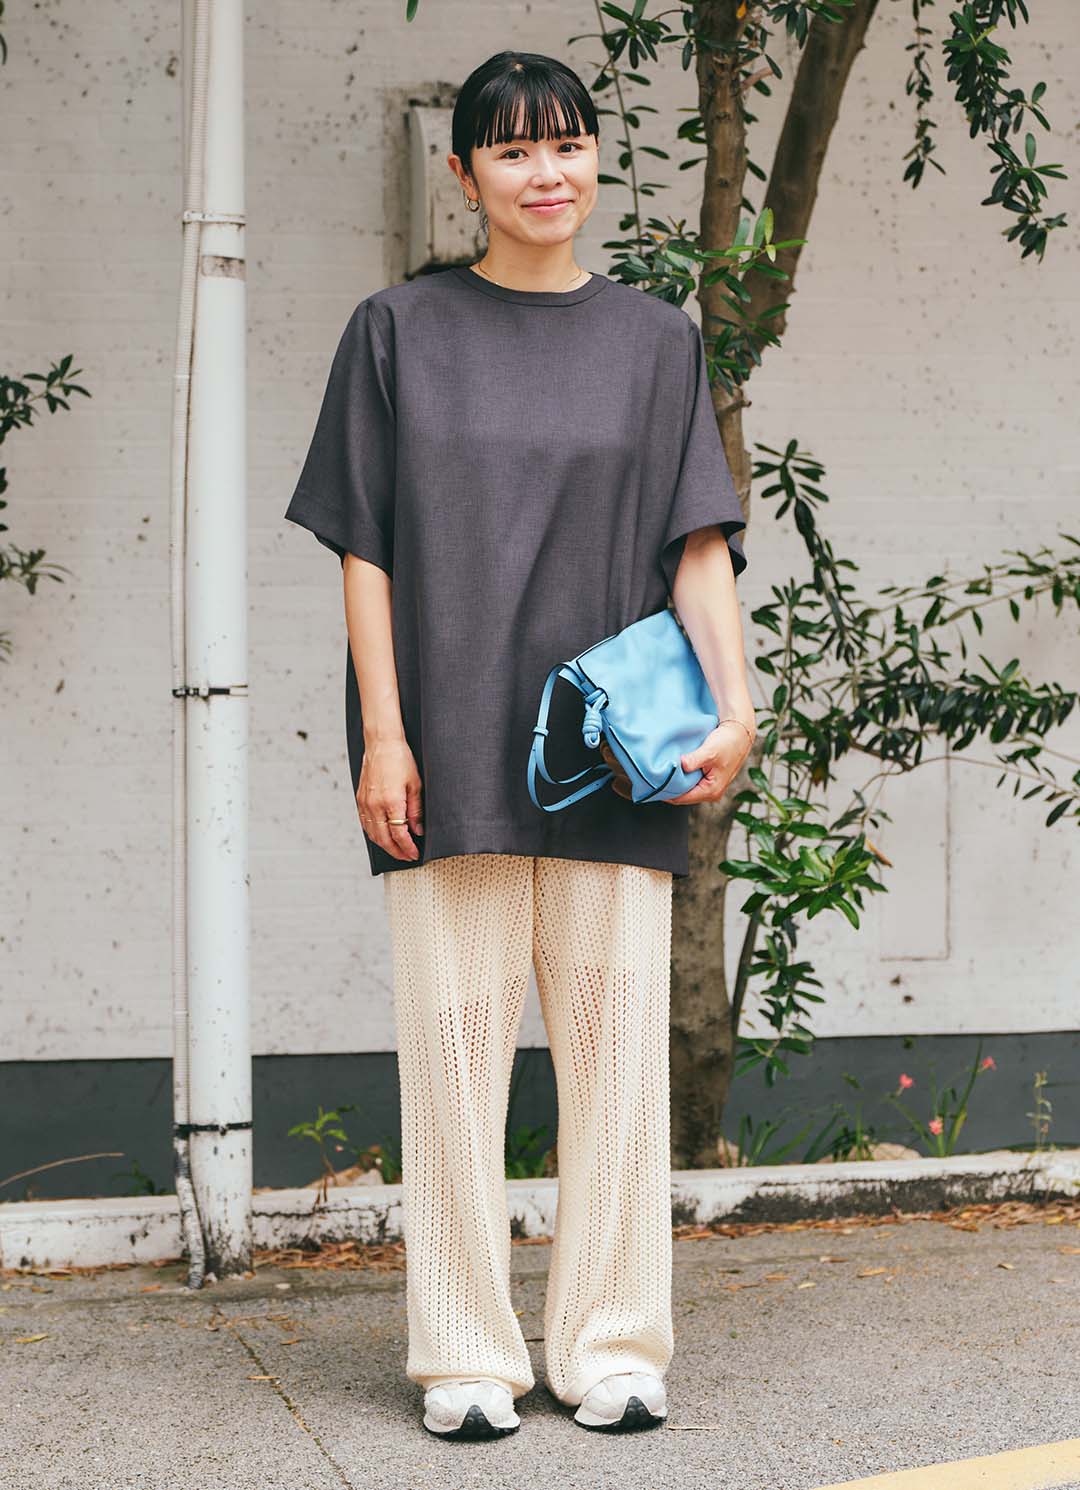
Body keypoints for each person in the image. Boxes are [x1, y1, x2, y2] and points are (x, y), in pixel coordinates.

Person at [284, 50, 756, 1441]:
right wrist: (384, 733)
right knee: (452, 1059)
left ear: (597, 157)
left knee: (618, 1064)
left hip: (615, 750)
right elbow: (365, 549)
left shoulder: (657, 341)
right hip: (447, 746)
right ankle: (465, 1356)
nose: (547, 173)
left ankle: (610, 1345)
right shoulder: (397, 331)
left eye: (569, 144)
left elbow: (699, 545)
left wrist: (738, 705)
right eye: (513, 150)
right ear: (465, 172)